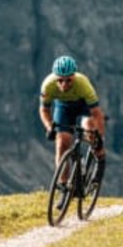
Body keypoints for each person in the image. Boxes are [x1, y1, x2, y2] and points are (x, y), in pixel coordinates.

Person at [40, 55, 107, 187]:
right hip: (63, 107)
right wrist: (49, 126)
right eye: (60, 80)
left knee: (89, 127)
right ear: (55, 78)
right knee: (62, 143)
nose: (64, 84)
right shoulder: (48, 85)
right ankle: (64, 184)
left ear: (74, 76)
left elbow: (96, 113)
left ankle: (100, 160)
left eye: (68, 80)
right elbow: (44, 110)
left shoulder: (83, 84)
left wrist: (99, 136)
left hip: (84, 106)